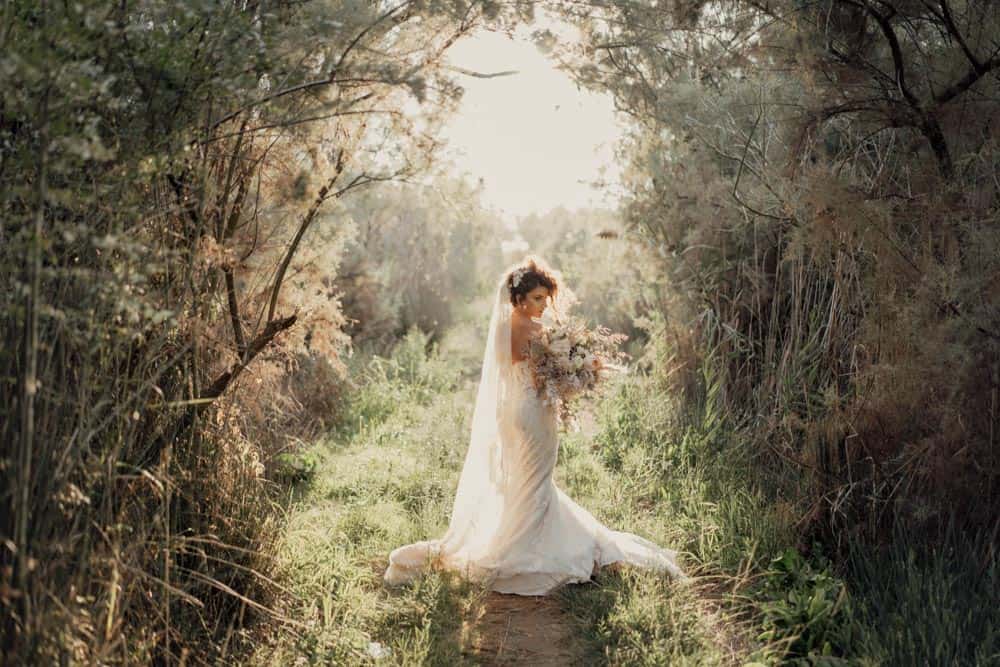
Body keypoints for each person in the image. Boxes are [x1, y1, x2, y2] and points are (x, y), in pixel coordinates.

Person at [384, 256, 686, 595]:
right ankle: (533, 552)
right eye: (538, 298)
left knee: (524, 483)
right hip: (532, 414)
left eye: (546, 298)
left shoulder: (504, 328)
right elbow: (559, 369)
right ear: (519, 299)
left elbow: (533, 371)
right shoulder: (532, 329)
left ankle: (520, 542)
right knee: (537, 482)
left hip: (513, 413)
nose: (544, 305)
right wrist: (583, 370)